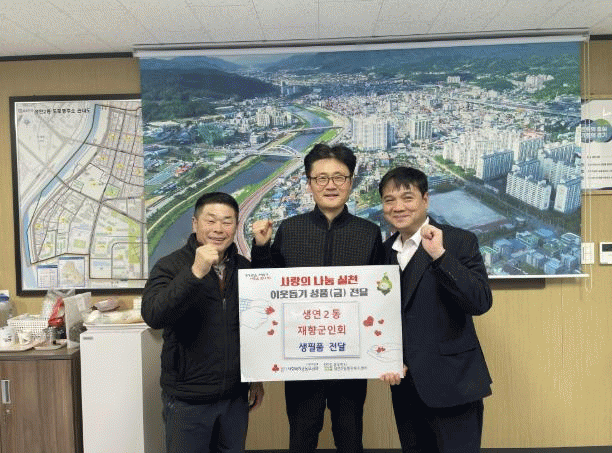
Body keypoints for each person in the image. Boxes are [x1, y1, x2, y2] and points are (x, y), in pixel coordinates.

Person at [251, 143, 384, 453]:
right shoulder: (289, 229)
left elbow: (380, 297)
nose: (330, 185)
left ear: (351, 181)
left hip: (350, 357)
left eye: (339, 177)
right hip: (301, 357)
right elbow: (269, 290)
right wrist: (261, 247)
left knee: (350, 438)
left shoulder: (369, 232)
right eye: (321, 178)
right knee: (301, 437)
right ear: (309, 183)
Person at [378, 166, 492, 453]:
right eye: (389, 200)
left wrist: (440, 256)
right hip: (406, 386)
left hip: (454, 382)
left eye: (407, 198)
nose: (398, 207)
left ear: (425, 199)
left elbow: (479, 301)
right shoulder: (384, 251)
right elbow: (382, 315)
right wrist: (386, 357)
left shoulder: (458, 240)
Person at [142, 192, 264, 453]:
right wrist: (195, 272)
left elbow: (253, 326)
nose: (219, 229)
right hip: (187, 400)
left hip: (234, 398)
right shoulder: (170, 266)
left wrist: (256, 378)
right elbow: (153, 315)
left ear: (236, 226)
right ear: (195, 223)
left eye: (227, 221)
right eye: (211, 220)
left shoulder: (243, 267)